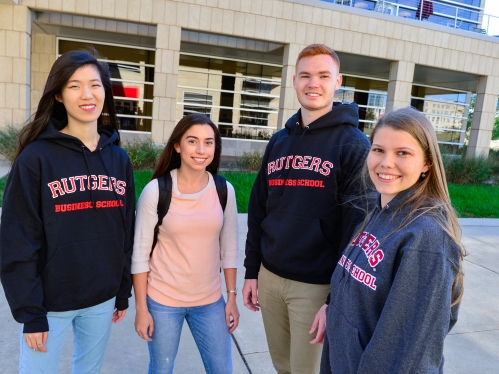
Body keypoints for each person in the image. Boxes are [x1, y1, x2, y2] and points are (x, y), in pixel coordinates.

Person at [0, 49, 135, 373]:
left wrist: (121, 290)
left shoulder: (118, 159)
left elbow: (124, 231)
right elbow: (18, 239)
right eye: (75, 86)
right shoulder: (36, 159)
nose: (87, 95)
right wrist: (30, 313)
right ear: (58, 94)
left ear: (105, 91)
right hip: (49, 303)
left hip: (100, 299)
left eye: (95, 85)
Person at [242, 44, 370, 374]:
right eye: (305, 76)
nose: (313, 83)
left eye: (323, 76)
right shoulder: (279, 141)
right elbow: (258, 210)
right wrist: (252, 270)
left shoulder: (354, 144)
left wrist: (335, 300)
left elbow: (356, 229)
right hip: (270, 279)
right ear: (294, 81)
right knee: (282, 366)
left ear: (337, 81)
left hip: (316, 288)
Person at [320, 107, 466, 373]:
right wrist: (334, 309)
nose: (386, 162)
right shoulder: (378, 210)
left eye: (403, 153)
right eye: (378, 150)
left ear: (427, 162)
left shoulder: (427, 239)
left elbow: (411, 353)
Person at [131, 113, 239, 374]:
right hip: (163, 302)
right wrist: (141, 309)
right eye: (192, 141)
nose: (201, 150)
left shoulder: (224, 190)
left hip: (210, 301)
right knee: (161, 370)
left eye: (209, 142)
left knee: (222, 370)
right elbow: (139, 256)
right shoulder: (157, 191)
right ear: (177, 146)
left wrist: (231, 297)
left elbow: (230, 248)